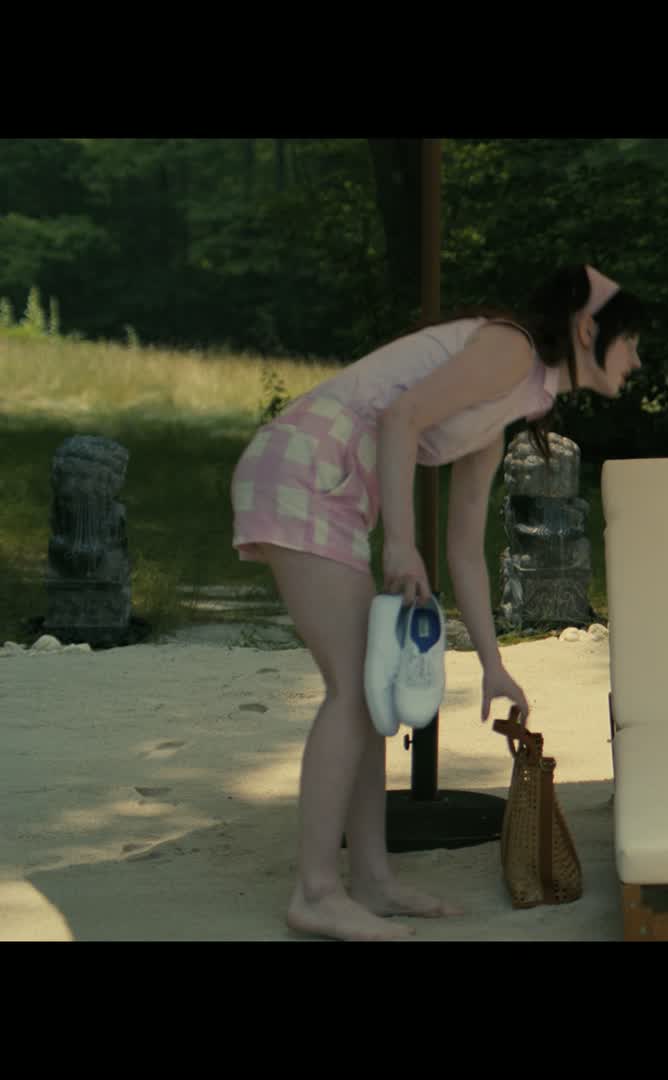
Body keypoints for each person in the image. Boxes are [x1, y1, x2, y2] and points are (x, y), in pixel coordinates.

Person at [230, 264, 646, 940]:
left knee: (368, 692)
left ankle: (371, 879)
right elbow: (401, 417)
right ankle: (315, 890)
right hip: (306, 467)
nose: (637, 359)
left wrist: (493, 664)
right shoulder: (510, 348)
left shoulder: (513, 406)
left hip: (328, 481)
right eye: (630, 340)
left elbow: (464, 551)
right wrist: (399, 543)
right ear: (587, 329)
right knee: (353, 691)